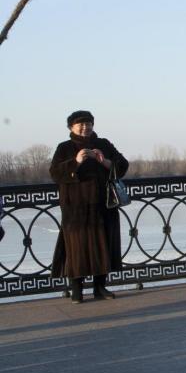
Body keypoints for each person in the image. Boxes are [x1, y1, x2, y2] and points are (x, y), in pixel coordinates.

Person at [50, 110, 129, 302]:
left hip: (103, 204)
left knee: (103, 245)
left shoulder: (103, 144)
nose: (85, 127)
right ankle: (77, 290)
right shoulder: (64, 147)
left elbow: (122, 165)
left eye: (89, 124)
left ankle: (100, 287)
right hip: (75, 208)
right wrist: (75, 162)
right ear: (71, 127)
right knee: (77, 248)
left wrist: (105, 161)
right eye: (81, 124)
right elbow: (55, 173)